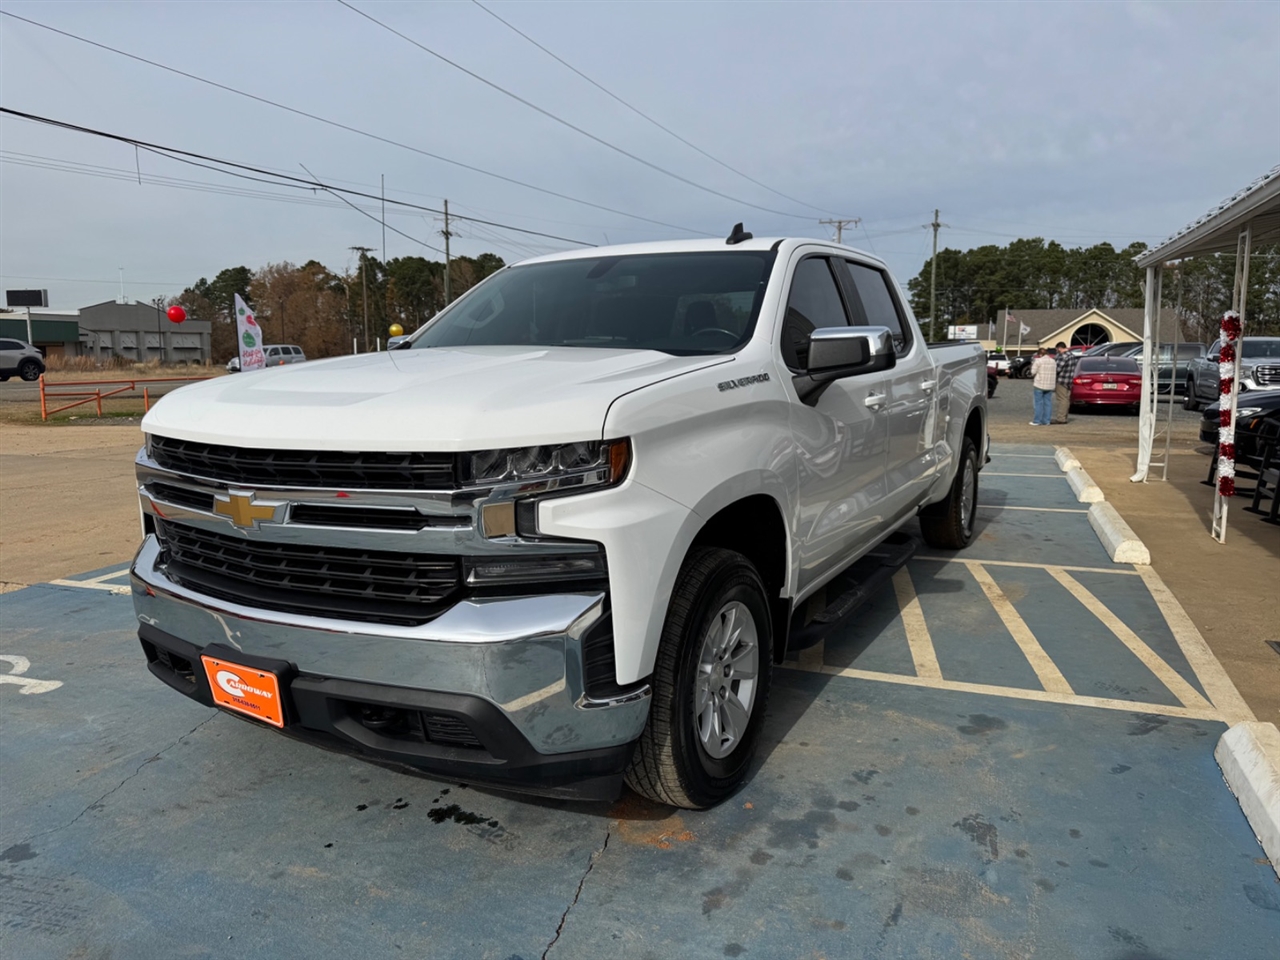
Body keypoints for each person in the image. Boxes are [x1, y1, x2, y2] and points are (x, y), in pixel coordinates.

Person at [1051, 341, 1078, 424]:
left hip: (1061, 380)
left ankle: (1061, 418)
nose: (1057, 351)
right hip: (1069, 381)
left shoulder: (1063, 356)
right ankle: (1064, 417)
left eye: (1057, 350)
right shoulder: (1072, 356)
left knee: (1062, 399)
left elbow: (1057, 369)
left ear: (1059, 348)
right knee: (1066, 399)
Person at [1030, 348, 1055, 425]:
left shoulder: (1038, 361)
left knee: (1038, 403)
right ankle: (1047, 420)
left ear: (1040, 354)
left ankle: (1037, 420)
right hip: (1050, 385)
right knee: (1048, 403)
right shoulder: (1053, 361)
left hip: (1039, 384)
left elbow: (1032, 372)